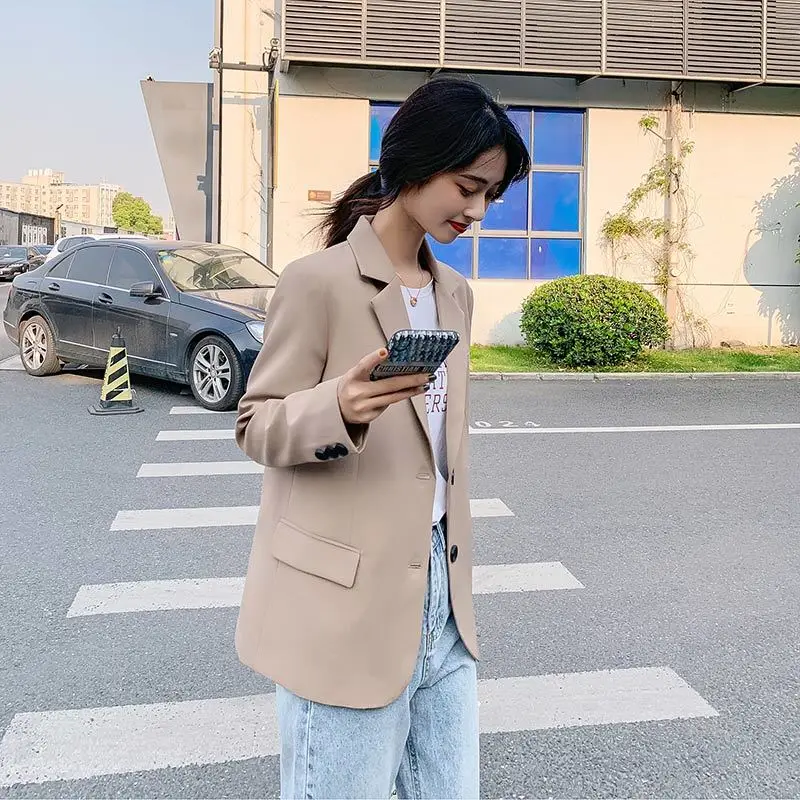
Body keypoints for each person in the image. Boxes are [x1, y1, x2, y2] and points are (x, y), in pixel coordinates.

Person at [234, 77, 531, 799]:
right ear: (416, 165)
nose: (477, 211)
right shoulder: (318, 282)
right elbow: (256, 422)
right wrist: (339, 407)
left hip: (443, 604)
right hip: (342, 608)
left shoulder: (455, 293)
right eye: (468, 187)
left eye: (490, 195)